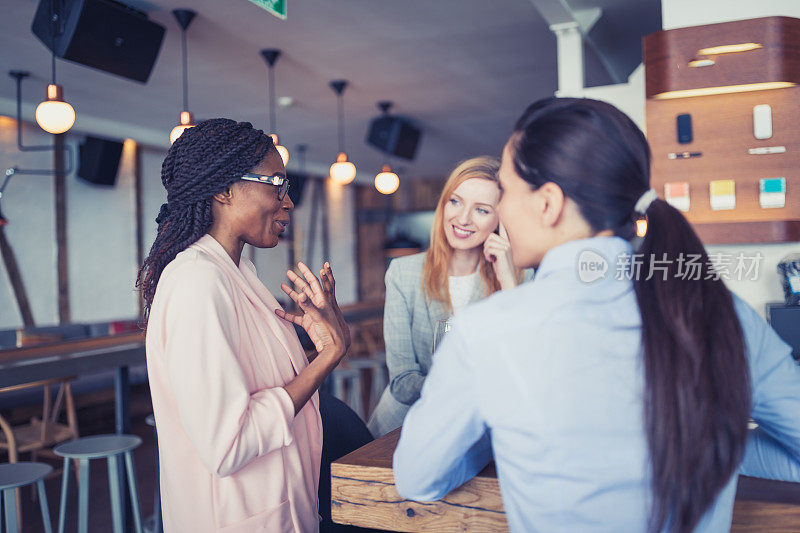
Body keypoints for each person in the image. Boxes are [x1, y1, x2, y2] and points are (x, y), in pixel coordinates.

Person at [393, 98, 800, 532]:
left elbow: (418, 476)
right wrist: (710, 441)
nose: (501, 213)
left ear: (548, 203)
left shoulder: (490, 330)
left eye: (506, 192)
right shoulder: (720, 309)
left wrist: (501, 436)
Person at [138, 118, 351, 532]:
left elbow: (260, 387)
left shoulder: (239, 274)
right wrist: (327, 358)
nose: (288, 201)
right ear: (223, 189)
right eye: (276, 184)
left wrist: (319, 346)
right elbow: (229, 444)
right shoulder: (198, 281)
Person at [367, 156, 521, 438]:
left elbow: (524, 364)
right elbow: (402, 382)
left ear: (502, 220)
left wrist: (508, 279)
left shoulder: (520, 278)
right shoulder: (403, 273)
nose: (462, 219)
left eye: (482, 210)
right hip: (401, 431)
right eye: (455, 201)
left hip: (480, 431)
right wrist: (473, 389)